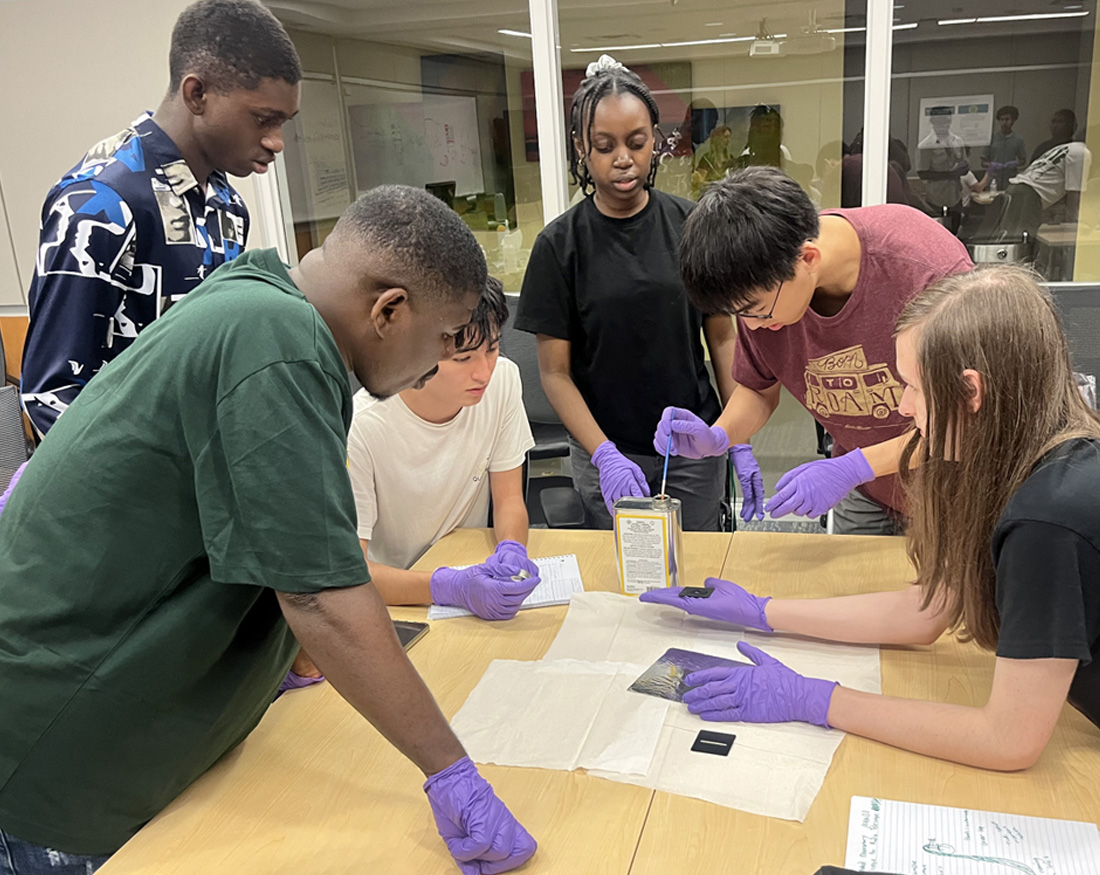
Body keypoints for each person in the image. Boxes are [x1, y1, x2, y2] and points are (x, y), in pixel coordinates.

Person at [0, 186, 536, 874]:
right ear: (389, 310)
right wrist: (450, 770)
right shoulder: (278, 343)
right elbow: (320, 596)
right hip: (62, 752)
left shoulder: (264, 304)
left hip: (118, 726)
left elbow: (262, 531)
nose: (437, 365)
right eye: (444, 339)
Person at [640, 266, 1100, 770]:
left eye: (914, 388)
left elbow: (1006, 740)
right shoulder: (1022, 454)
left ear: (971, 391)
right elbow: (927, 610)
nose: (903, 407)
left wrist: (815, 700)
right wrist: (763, 612)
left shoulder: (1047, 522)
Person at [19, 0, 302, 438]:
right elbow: (51, 396)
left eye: (284, 123)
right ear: (197, 94)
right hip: (123, 475)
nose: (276, 141)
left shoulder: (227, 205)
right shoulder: (99, 204)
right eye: (264, 119)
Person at [660, 166, 972, 535]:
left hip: (953, 489)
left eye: (756, 311)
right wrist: (721, 435)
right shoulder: (761, 287)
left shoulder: (925, 270)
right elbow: (759, 390)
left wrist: (852, 467)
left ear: (808, 259)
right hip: (867, 490)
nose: (752, 326)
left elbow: (962, 419)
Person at [515, 55, 737, 531]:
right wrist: (604, 454)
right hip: (606, 450)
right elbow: (554, 374)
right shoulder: (559, 246)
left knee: (698, 567)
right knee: (623, 570)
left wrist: (735, 434)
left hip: (693, 446)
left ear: (655, 139)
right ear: (581, 147)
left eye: (636, 143)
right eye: (604, 145)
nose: (623, 158)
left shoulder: (692, 226)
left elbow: (722, 338)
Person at [346, 276, 540, 619]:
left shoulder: (503, 380)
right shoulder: (361, 426)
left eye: (492, 349)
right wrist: (449, 587)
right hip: (399, 598)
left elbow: (509, 498)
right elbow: (352, 574)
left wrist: (512, 547)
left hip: (469, 569)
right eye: (463, 359)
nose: (483, 373)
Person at [988, 138, 1092, 240]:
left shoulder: (1068, 148)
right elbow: (1073, 197)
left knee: (1011, 238)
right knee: (1022, 242)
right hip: (1028, 195)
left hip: (1016, 188)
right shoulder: (1082, 154)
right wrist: (1079, 225)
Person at [916, 106, 969, 233]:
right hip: (936, 197)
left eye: (947, 121)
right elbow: (922, 173)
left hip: (955, 196)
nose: (944, 125)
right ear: (933, 122)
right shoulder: (926, 145)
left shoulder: (957, 141)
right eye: (940, 121)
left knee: (955, 232)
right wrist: (950, 174)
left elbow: (966, 167)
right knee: (936, 233)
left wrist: (959, 170)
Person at [981, 105, 1028, 191]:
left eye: (1007, 119)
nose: (1004, 122)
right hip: (993, 179)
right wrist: (992, 165)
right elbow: (983, 162)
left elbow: (1023, 160)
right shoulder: (992, 138)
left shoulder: (1018, 139)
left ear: (1013, 121)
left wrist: (1014, 163)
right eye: (1001, 119)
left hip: (1010, 179)